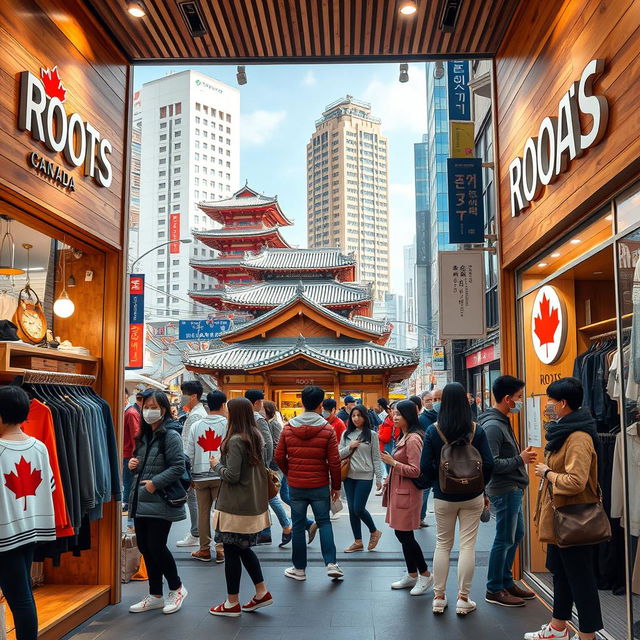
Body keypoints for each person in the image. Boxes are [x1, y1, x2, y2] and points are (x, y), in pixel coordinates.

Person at [525, 378, 603, 640]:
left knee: (582, 582)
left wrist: (548, 473)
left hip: (575, 519)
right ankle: (558, 628)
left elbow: (577, 481)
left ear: (563, 403)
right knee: (560, 574)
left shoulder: (578, 437)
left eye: (551, 401)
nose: (548, 405)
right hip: (561, 518)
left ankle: (587, 636)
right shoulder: (564, 431)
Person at [421, 382, 493, 615]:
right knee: (467, 546)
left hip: (444, 496)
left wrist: (438, 483)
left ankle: (439, 598)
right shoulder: (476, 429)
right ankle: (464, 599)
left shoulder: (434, 430)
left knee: (443, 544)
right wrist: (481, 487)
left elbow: (424, 466)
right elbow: (489, 464)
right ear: (465, 401)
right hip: (472, 495)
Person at [208, 398, 273, 617]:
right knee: (243, 549)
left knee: (231, 551)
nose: (225, 413)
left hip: (234, 506)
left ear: (234, 414)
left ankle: (231, 603)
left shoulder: (235, 440)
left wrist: (216, 465)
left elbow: (232, 475)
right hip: (252, 503)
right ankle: (261, 592)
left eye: (228, 410)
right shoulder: (255, 437)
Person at [0, 386, 56, 640]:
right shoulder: (39, 447)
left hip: (6, 534)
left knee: (19, 598)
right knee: (23, 595)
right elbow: (51, 485)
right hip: (31, 530)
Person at [274, 385, 343, 581]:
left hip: (297, 485)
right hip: (320, 483)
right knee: (324, 522)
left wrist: (290, 473)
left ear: (302, 403)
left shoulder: (288, 427)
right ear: (321, 405)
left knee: (297, 525)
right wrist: (335, 486)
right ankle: (331, 563)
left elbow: (279, 456)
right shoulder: (327, 429)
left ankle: (299, 569)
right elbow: (335, 461)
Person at [128, 390, 188, 615]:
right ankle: (155, 594)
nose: (149, 411)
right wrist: (134, 464)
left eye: (154, 407)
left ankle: (177, 587)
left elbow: (178, 466)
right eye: (146, 407)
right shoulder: (144, 435)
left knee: (157, 546)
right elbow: (146, 462)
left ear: (163, 409)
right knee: (144, 546)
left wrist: (155, 483)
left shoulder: (170, 435)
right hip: (141, 498)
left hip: (159, 499)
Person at [481, 375, 537, 607]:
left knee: (515, 535)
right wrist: (519, 459)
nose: (520, 401)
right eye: (518, 397)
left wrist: (517, 458)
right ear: (507, 399)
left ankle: (505, 581)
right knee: (504, 539)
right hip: (504, 489)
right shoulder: (494, 425)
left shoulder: (500, 420)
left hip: (512, 487)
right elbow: (491, 464)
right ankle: (494, 588)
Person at [381, 399, 432, 596]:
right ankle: (412, 574)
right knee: (402, 534)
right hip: (400, 491)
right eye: (393, 413)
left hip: (408, 493)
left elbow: (415, 470)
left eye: (398, 414)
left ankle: (425, 574)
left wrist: (392, 463)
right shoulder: (405, 435)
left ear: (408, 416)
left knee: (405, 535)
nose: (394, 417)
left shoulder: (413, 439)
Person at [186, 389, 228, 564]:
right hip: (220, 474)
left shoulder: (196, 426)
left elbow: (189, 453)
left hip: (199, 475)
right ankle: (220, 549)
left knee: (203, 513)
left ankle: (204, 549)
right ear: (224, 405)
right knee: (220, 512)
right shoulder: (227, 424)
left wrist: (190, 477)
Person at [339, 404, 383, 552]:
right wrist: (349, 447)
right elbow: (339, 454)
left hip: (365, 476)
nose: (356, 418)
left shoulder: (372, 435)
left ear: (365, 417)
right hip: (348, 476)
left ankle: (374, 531)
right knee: (352, 510)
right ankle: (358, 542)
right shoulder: (346, 434)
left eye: (359, 415)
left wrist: (379, 479)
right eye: (353, 416)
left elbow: (376, 458)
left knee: (358, 508)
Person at [176, 380, 206, 549]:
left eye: (184, 394)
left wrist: (186, 469)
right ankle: (197, 532)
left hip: (192, 465)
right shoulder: (197, 412)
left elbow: (188, 443)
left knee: (193, 501)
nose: (182, 398)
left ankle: (196, 533)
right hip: (195, 464)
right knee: (196, 501)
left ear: (193, 396)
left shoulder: (195, 415)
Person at [258, 400, 292, 547]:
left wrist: (268, 463)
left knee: (270, 496)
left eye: (263, 409)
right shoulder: (265, 423)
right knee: (268, 497)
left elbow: (277, 445)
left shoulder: (274, 424)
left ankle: (287, 524)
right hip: (272, 465)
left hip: (274, 466)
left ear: (269, 411)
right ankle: (265, 533)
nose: (260, 411)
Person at [409, 394, 432, 527]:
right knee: (424, 489)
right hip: (422, 457)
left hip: (423, 457)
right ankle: (418, 517)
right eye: (428, 400)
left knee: (424, 489)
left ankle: (418, 517)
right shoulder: (422, 419)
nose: (431, 403)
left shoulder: (421, 419)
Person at [123, 390, 143, 516]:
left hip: (129, 454)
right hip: (128, 453)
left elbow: (135, 436)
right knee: (128, 483)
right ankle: (128, 508)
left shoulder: (130, 412)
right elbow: (135, 435)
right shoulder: (131, 412)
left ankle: (128, 510)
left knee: (128, 483)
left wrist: (136, 455)